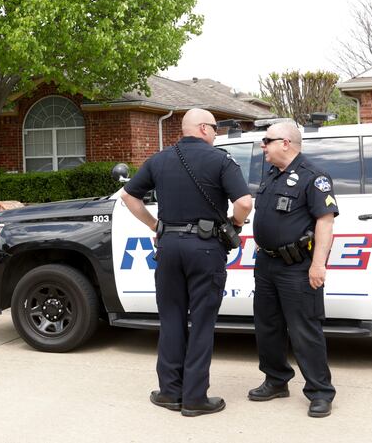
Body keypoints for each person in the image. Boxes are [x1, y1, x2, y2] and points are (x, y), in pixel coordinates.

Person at [120, 108, 252, 417]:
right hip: (205, 249)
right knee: (202, 322)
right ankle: (194, 398)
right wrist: (235, 224)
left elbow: (128, 196)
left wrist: (155, 226)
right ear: (203, 128)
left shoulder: (159, 159)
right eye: (215, 127)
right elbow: (245, 203)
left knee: (171, 319)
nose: (217, 133)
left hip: (168, 247)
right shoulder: (220, 160)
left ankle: (169, 392)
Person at [248, 121, 337, 418]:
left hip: (297, 266)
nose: (263, 146)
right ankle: (275, 380)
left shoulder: (314, 177)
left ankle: (320, 392)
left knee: (304, 329)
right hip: (267, 264)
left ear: (285, 142)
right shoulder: (272, 174)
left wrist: (318, 264)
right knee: (267, 326)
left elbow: (325, 222)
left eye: (267, 141)